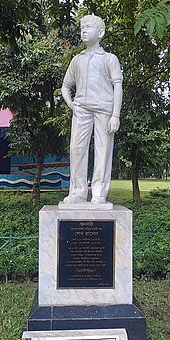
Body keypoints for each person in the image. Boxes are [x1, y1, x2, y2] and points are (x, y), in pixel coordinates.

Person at [61, 14, 123, 204]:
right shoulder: (77, 60)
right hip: (81, 110)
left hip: (104, 109)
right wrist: (71, 104)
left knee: (103, 152)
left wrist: (115, 115)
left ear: (101, 32)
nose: (84, 31)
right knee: (77, 149)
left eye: (88, 27)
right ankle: (78, 191)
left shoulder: (109, 59)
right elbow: (65, 85)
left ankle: (99, 192)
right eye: (82, 28)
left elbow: (118, 85)